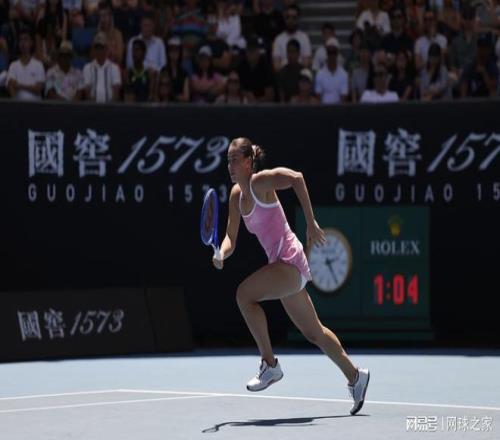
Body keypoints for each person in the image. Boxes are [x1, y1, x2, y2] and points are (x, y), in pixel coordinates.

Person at [213, 138, 370, 416]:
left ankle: (270, 365)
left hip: (290, 261)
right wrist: (221, 253)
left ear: (248, 162)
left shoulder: (262, 182)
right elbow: (230, 238)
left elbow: (297, 178)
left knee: (244, 296)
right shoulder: (236, 196)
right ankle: (356, 376)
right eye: (228, 160)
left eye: (235, 160)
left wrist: (310, 222)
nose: (230, 165)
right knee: (314, 332)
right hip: (281, 267)